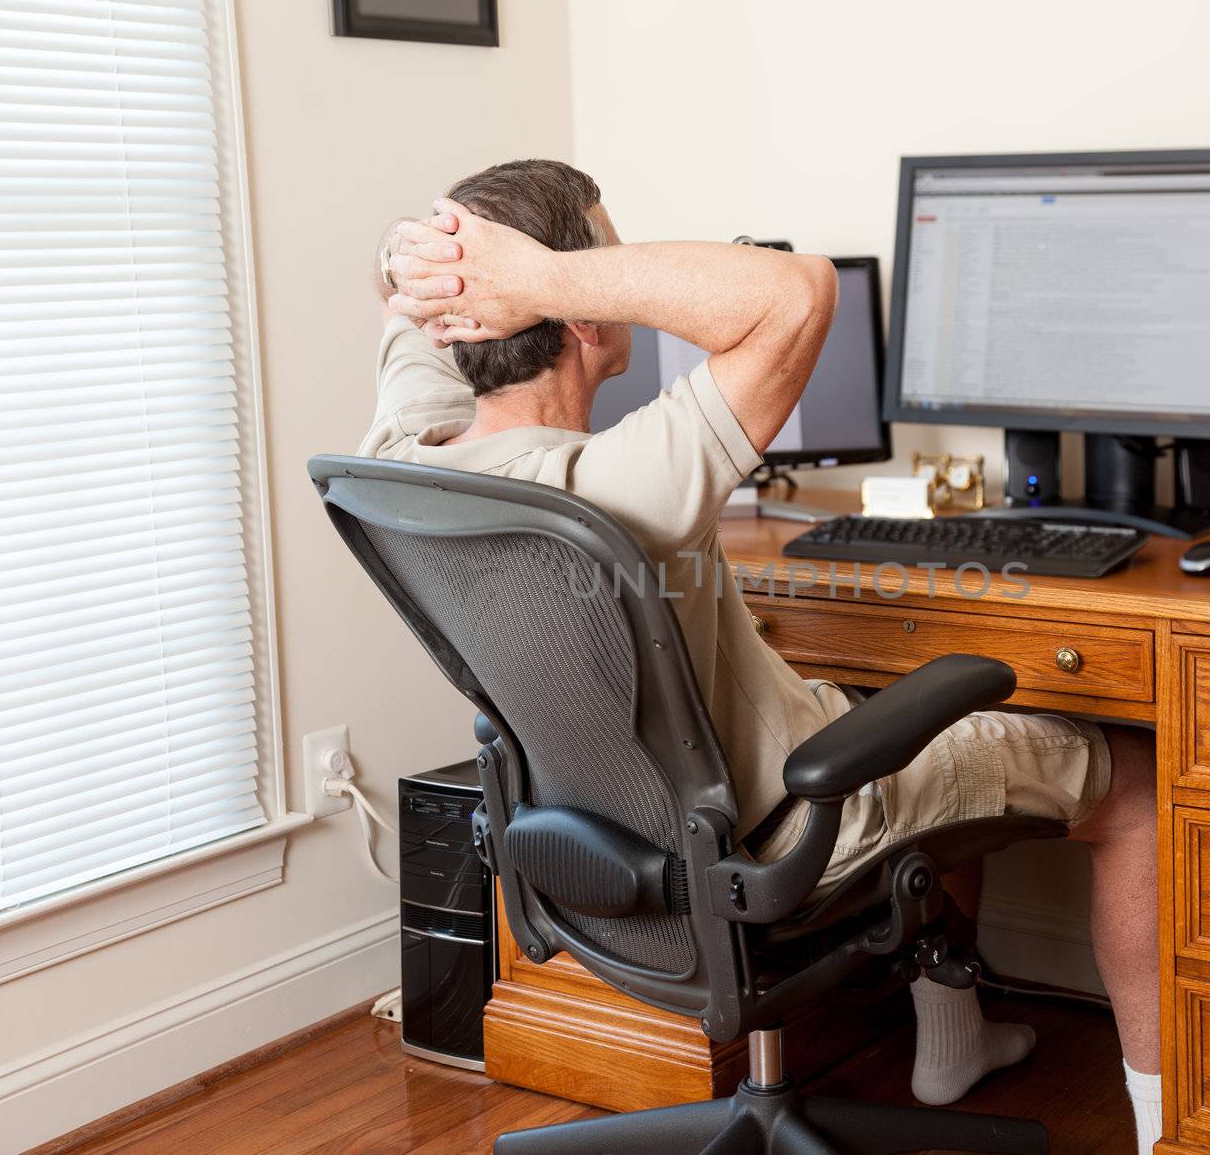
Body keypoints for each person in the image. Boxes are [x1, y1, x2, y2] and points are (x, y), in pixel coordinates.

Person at [366, 158, 1163, 1153]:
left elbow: (402, 312)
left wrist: (455, 266)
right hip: (777, 827)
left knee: (916, 717)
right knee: (1130, 783)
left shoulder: (403, 458)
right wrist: (554, 274)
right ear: (576, 310)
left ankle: (949, 1040)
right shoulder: (623, 481)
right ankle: (1164, 1132)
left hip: (603, 852)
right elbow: (798, 290)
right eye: (600, 262)